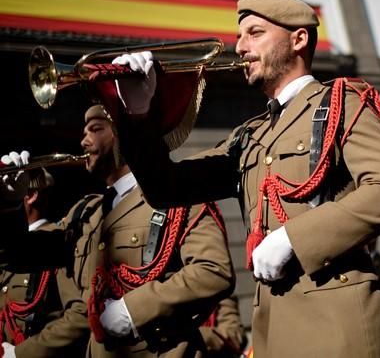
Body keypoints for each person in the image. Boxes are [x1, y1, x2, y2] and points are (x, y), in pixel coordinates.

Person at [109, 0, 380, 357]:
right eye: (240, 36)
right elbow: (166, 187)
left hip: (340, 324)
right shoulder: (249, 135)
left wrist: (293, 238)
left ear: (298, 39)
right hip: (274, 328)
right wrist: (139, 114)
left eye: (254, 33)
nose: (240, 47)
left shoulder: (340, 102)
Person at [0, 105, 235, 357]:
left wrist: (131, 310)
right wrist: (11, 203)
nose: (83, 140)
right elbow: (17, 255)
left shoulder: (178, 195)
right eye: (84, 131)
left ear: (122, 134)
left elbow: (213, 272)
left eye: (95, 129)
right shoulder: (85, 213)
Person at [0, 166, 88, 358]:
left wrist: (20, 353)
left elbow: (79, 315)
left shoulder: (57, 243)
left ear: (30, 195)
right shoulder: (8, 249)